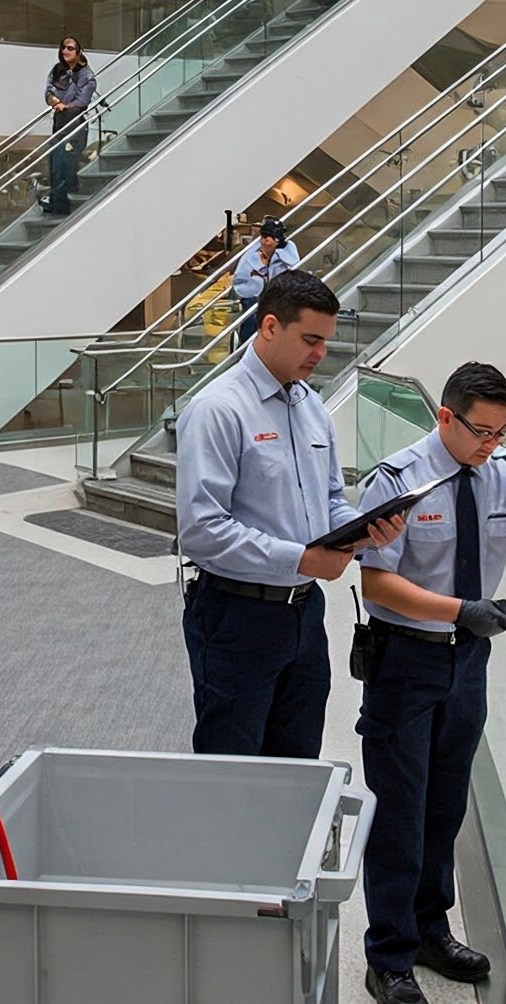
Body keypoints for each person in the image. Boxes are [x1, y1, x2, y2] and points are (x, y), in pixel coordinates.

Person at [355, 362, 506, 1004]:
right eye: (480, 432)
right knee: (401, 808)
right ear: (446, 419)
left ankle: (430, 927)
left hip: (467, 665)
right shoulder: (398, 482)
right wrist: (459, 611)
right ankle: (389, 956)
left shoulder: (505, 473)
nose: (491, 444)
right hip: (407, 660)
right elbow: (375, 583)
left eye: (501, 431)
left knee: (445, 805)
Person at [174, 271, 407, 757]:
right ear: (270, 326)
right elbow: (201, 531)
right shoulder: (218, 410)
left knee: (299, 760)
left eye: (326, 340)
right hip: (236, 615)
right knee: (232, 767)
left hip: (304, 615)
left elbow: (329, 501)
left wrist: (363, 531)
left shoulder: (312, 407)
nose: (320, 353)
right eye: (311, 339)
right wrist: (301, 559)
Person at [41, 35, 97, 215]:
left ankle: (65, 203)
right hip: (59, 124)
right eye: (63, 47)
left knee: (67, 164)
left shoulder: (86, 74)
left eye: (70, 48)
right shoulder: (57, 71)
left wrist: (64, 105)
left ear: (79, 52)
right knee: (55, 164)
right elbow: (48, 91)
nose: (65, 51)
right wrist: (55, 102)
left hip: (76, 125)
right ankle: (58, 203)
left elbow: (83, 100)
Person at [232, 216, 300, 343]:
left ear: (277, 240)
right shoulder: (253, 252)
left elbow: (292, 276)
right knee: (252, 312)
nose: (263, 241)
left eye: (267, 238)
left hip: (280, 299)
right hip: (254, 298)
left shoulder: (287, 254)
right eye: (262, 237)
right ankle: (245, 347)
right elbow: (241, 278)